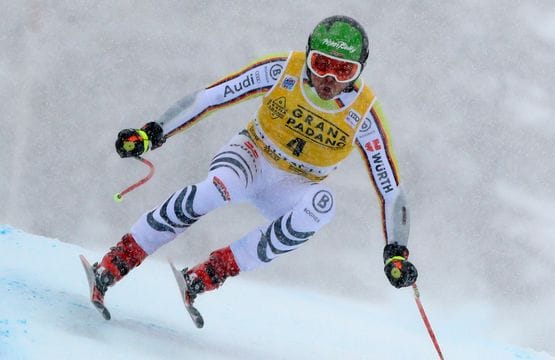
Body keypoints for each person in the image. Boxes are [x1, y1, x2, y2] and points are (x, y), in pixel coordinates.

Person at [89, 15, 418, 320]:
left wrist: (396, 251)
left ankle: (211, 272)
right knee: (215, 192)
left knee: (323, 205)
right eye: (321, 64)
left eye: (343, 71)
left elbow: (390, 190)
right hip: (252, 156)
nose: (328, 79)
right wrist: (152, 132)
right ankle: (119, 259)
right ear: (308, 56)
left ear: (359, 71)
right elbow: (211, 97)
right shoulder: (284, 70)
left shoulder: (364, 112)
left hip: (295, 185)